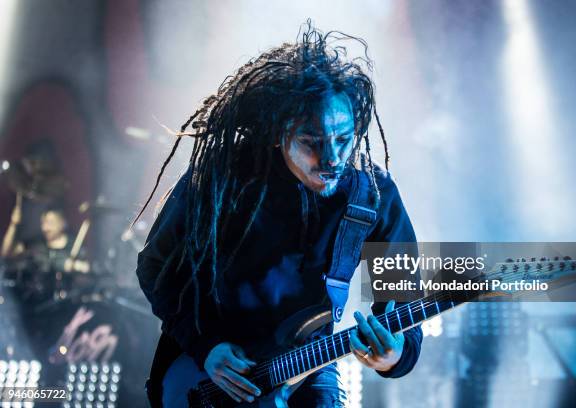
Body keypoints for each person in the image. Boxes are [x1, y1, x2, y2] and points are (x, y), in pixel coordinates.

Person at [136, 22, 423, 407]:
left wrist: (394, 356)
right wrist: (205, 346)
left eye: (343, 139)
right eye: (311, 143)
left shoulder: (372, 196)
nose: (333, 159)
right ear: (277, 133)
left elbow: (403, 301)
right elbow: (155, 267)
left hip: (306, 367)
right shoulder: (220, 181)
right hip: (209, 371)